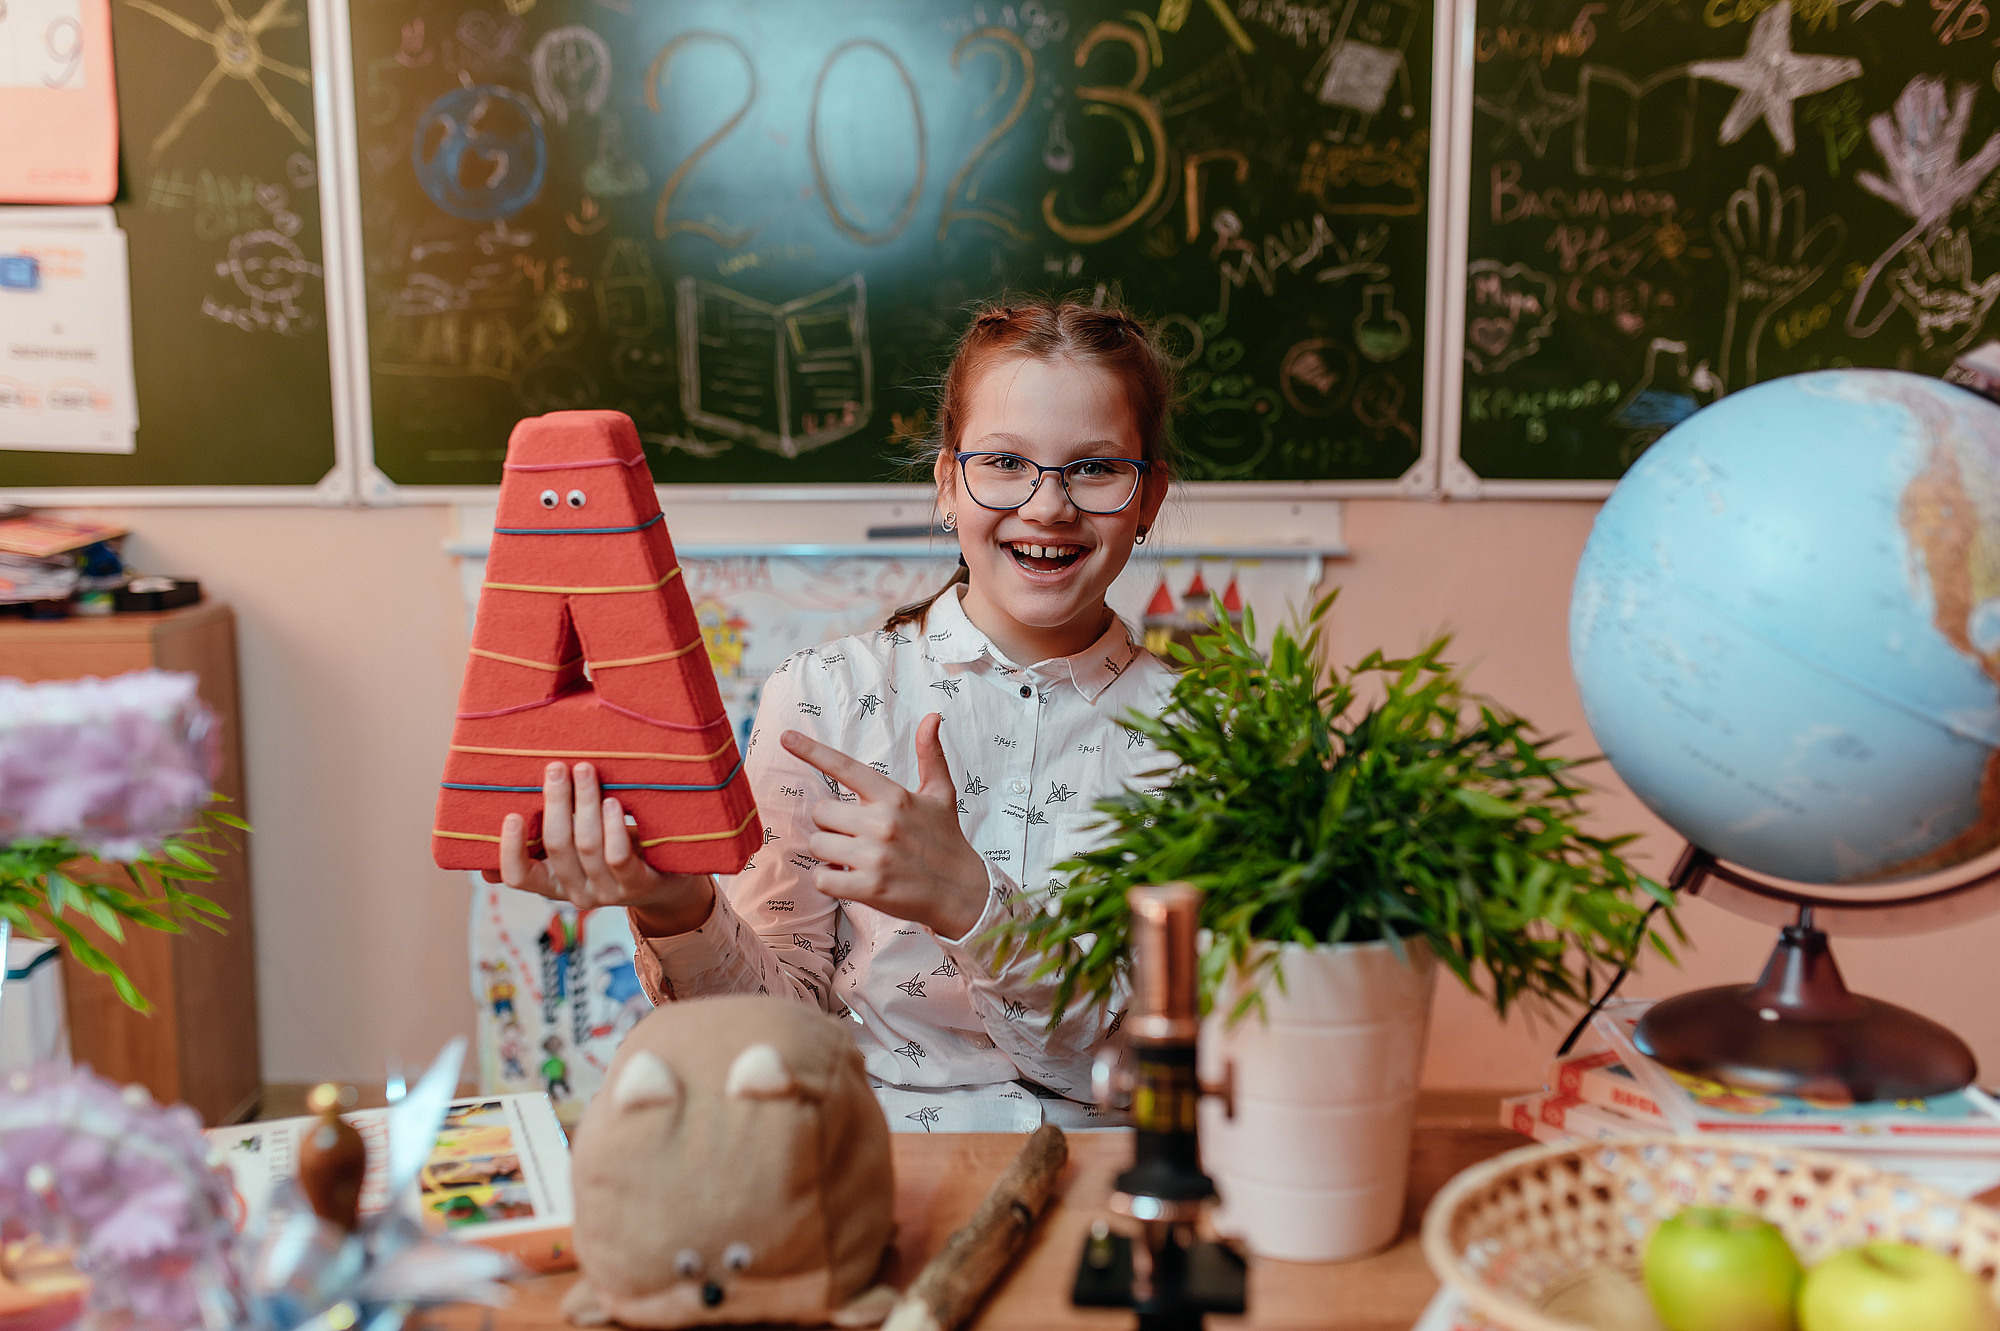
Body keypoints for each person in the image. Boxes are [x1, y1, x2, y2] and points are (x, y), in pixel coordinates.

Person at [494, 298, 1180, 1129]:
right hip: (873, 1169)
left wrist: (971, 902)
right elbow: (773, 1043)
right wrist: (674, 903)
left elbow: (1151, 1068)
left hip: (1110, 1176)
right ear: (945, 483)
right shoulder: (820, 700)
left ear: (1150, 497)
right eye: (1004, 461)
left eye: (1095, 469)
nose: (1047, 506)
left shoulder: (1200, 740)